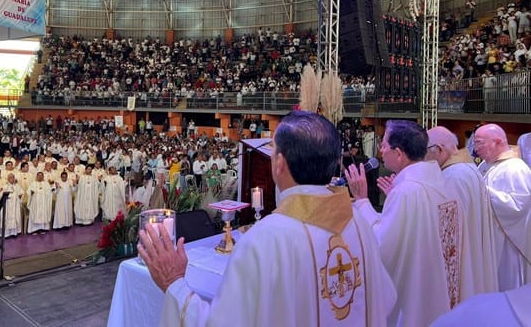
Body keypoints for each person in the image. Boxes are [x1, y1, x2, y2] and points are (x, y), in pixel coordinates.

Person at [138, 111, 396, 327]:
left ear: (279, 163)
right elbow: (386, 298)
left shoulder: (267, 238)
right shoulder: (359, 222)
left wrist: (174, 283)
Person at [346, 120, 467, 327]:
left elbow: (382, 246)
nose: (380, 151)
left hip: (413, 300)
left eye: (384, 144)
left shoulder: (408, 192)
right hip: (440, 293)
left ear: (399, 153)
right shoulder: (440, 183)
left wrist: (362, 201)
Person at [425, 126, 499, 296]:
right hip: (473, 251)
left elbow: (448, 230)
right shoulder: (467, 169)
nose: (425, 157)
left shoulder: (452, 177)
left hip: (461, 261)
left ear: (439, 149)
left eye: (426, 151)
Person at [473, 124, 531, 290]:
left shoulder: (516, 168)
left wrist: (481, 191)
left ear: (497, 142)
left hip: (509, 245)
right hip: (492, 239)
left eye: (479, 143)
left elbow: (519, 206)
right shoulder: (486, 165)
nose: (476, 149)